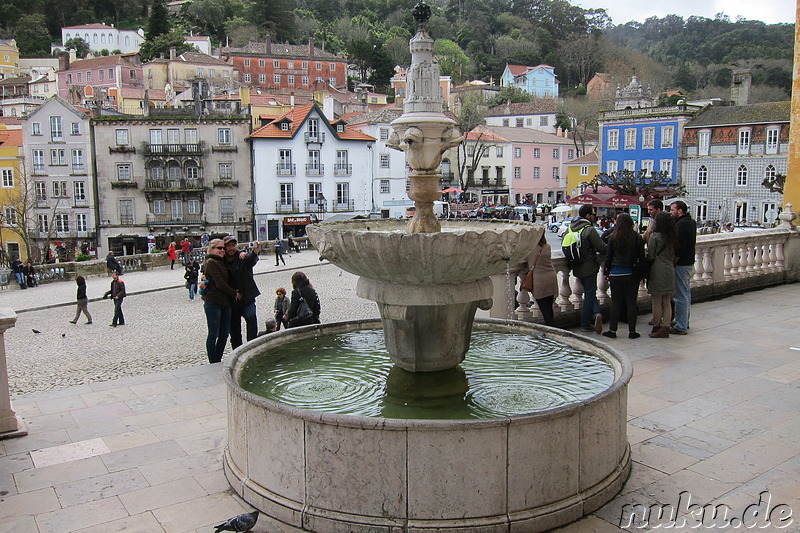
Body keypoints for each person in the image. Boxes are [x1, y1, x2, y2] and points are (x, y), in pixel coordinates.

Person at [601, 213, 644, 339]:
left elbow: (608, 257)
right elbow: (641, 257)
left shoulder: (613, 237)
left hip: (615, 273)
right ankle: (632, 331)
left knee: (616, 303)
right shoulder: (637, 237)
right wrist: (641, 274)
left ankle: (612, 330)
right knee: (631, 303)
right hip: (631, 273)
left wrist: (606, 272)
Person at [201, 238, 240, 363]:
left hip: (225, 303)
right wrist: (234, 294)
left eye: (223, 248)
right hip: (213, 302)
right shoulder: (211, 262)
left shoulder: (222, 261)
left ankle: (217, 358)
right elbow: (220, 283)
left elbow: (234, 255)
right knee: (214, 333)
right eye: (219, 248)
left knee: (224, 334)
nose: (222, 250)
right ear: (211, 249)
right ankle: (213, 360)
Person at [570, 205, 607, 333]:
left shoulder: (571, 227)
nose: (594, 216)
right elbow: (602, 247)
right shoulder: (589, 229)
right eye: (592, 214)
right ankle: (585, 323)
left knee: (589, 292)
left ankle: (597, 313)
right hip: (589, 266)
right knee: (590, 293)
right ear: (587, 216)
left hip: (576, 265)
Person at [224, 235, 261, 349]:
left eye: (233, 245)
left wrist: (255, 253)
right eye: (228, 246)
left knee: (251, 322)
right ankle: (237, 351)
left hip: (247, 298)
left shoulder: (242, 258)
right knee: (234, 330)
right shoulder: (222, 261)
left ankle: (252, 348)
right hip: (231, 301)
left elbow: (251, 260)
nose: (231, 248)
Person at [647, 212, 676, 338]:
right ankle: (666, 326)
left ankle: (657, 326)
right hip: (670, 268)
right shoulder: (673, 236)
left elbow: (651, 254)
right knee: (667, 301)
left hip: (658, 268)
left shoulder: (655, 236)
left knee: (657, 301)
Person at [670, 200, 697, 335]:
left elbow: (679, 248)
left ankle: (681, 325)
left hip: (682, 264)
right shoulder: (691, 222)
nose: (670, 212)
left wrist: (673, 262)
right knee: (685, 293)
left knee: (680, 295)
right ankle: (684, 321)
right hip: (688, 262)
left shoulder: (681, 225)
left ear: (680, 210)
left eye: (672, 209)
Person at [525, 234, 557, 326]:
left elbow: (522, 261)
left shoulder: (530, 249)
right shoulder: (547, 246)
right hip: (551, 277)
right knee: (549, 308)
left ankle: (550, 331)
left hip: (539, 280)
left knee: (544, 309)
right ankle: (551, 328)